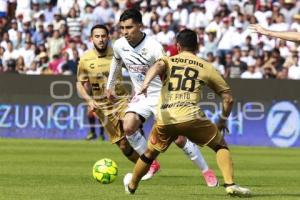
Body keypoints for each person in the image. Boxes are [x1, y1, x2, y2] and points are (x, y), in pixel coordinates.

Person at [123, 29, 251, 197]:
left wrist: (145, 83)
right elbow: (228, 98)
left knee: (149, 154)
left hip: (165, 117)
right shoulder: (206, 66)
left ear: (177, 46)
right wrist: (222, 120)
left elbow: (158, 65)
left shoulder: (168, 60)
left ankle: (132, 186)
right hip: (191, 116)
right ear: (197, 46)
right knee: (220, 146)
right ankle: (229, 184)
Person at [106, 8, 218, 186]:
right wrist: (109, 86)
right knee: (128, 127)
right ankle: (150, 163)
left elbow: (167, 69)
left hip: (161, 95)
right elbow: (117, 61)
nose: (125, 32)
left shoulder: (153, 46)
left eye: (129, 27)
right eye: (122, 28)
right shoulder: (119, 45)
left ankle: (206, 171)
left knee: (179, 138)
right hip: (142, 96)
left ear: (140, 26)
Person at [76, 24, 157, 179]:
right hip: (102, 107)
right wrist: (89, 100)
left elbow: (135, 69)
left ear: (108, 37)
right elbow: (79, 83)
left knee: (130, 125)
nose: (100, 39)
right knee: (123, 145)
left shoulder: (118, 52)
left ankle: (149, 162)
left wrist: (136, 90)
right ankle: (146, 166)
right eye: (97, 36)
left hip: (121, 100)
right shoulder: (85, 59)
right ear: (91, 38)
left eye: (103, 36)